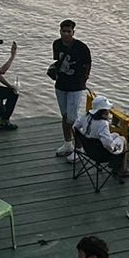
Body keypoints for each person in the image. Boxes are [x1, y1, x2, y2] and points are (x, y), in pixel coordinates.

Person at [48, 19, 92, 161]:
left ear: (73, 32)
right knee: (65, 116)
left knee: (73, 118)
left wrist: (84, 79)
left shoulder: (81, 47)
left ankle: (79, 148)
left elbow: (88, 64)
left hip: (76, 86)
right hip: (61, 85)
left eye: (69, 31)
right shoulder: (56, 44)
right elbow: (57, 60)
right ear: (60, 31)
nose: (66, 34)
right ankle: (67, 143)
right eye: (64, 31)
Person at [75, 92, 128, 178]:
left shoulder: (85, 117)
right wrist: (114, 147)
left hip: (87, 150)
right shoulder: (103, 124)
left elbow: (75, 127)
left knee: (115, 134)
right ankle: (122, 169)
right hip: (100, 154)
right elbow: (107, 144)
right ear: (104, 111)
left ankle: (117, 165)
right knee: (123, 139)